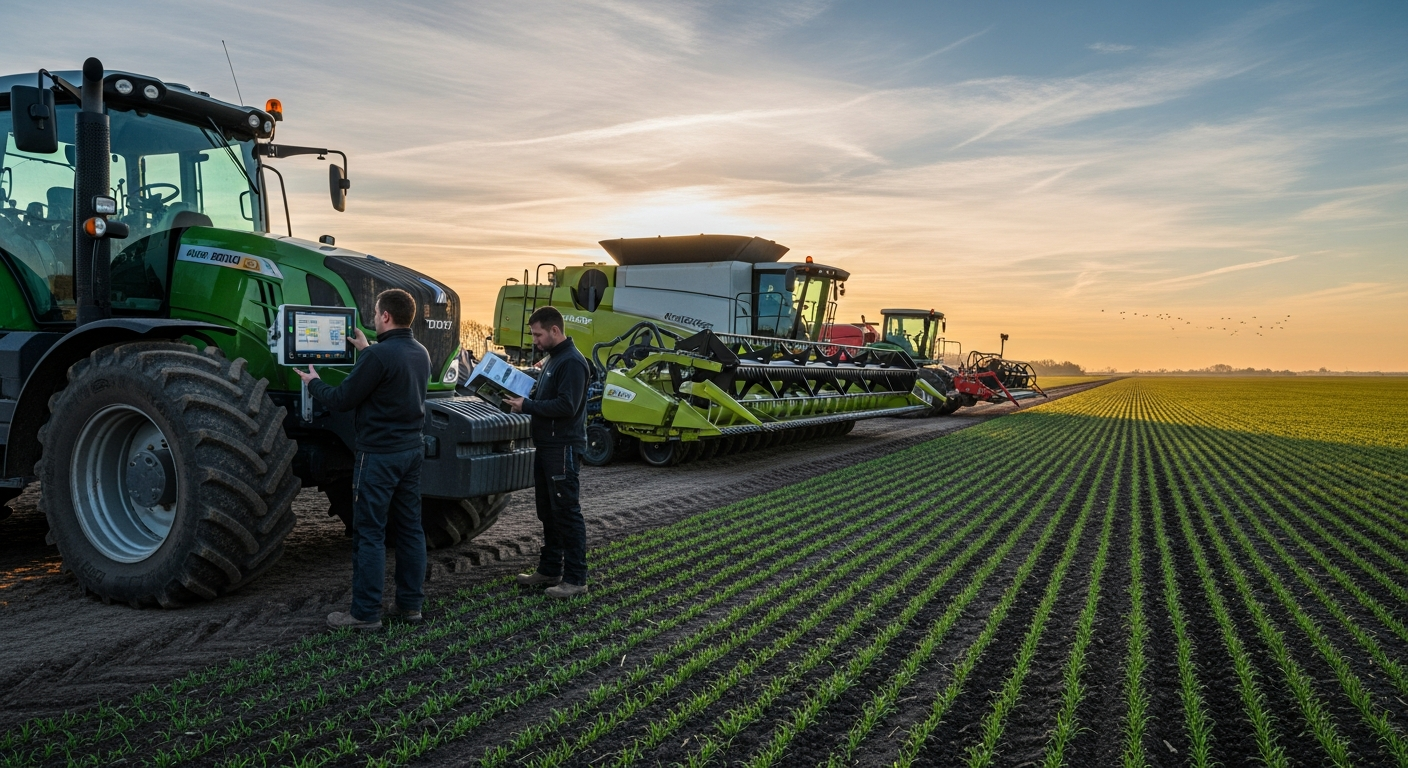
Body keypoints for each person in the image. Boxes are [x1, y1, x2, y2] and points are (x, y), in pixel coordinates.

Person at [295, 288, 431, 630]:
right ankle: (410, 606)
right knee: (411, 529)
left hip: (379, 455)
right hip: (412, 452)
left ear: (385, 316)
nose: (372, 319)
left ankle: (365, 613)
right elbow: (389, 377)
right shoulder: (420, 352)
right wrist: (367, 350)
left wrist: (313, 383)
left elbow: (342, 398)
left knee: (369, 532)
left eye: (375, 313)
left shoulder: (378, 358)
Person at [503, 306, 591, 598]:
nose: (535, 340)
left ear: (555, 330)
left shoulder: (572, 363)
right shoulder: (554, 360)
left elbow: (567, 406)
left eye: (538, 334)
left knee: (566, 512)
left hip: (562, 447)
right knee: (548, 513)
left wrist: (526, 406)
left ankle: (576, 579)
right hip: (547, 446)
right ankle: (550, 569)